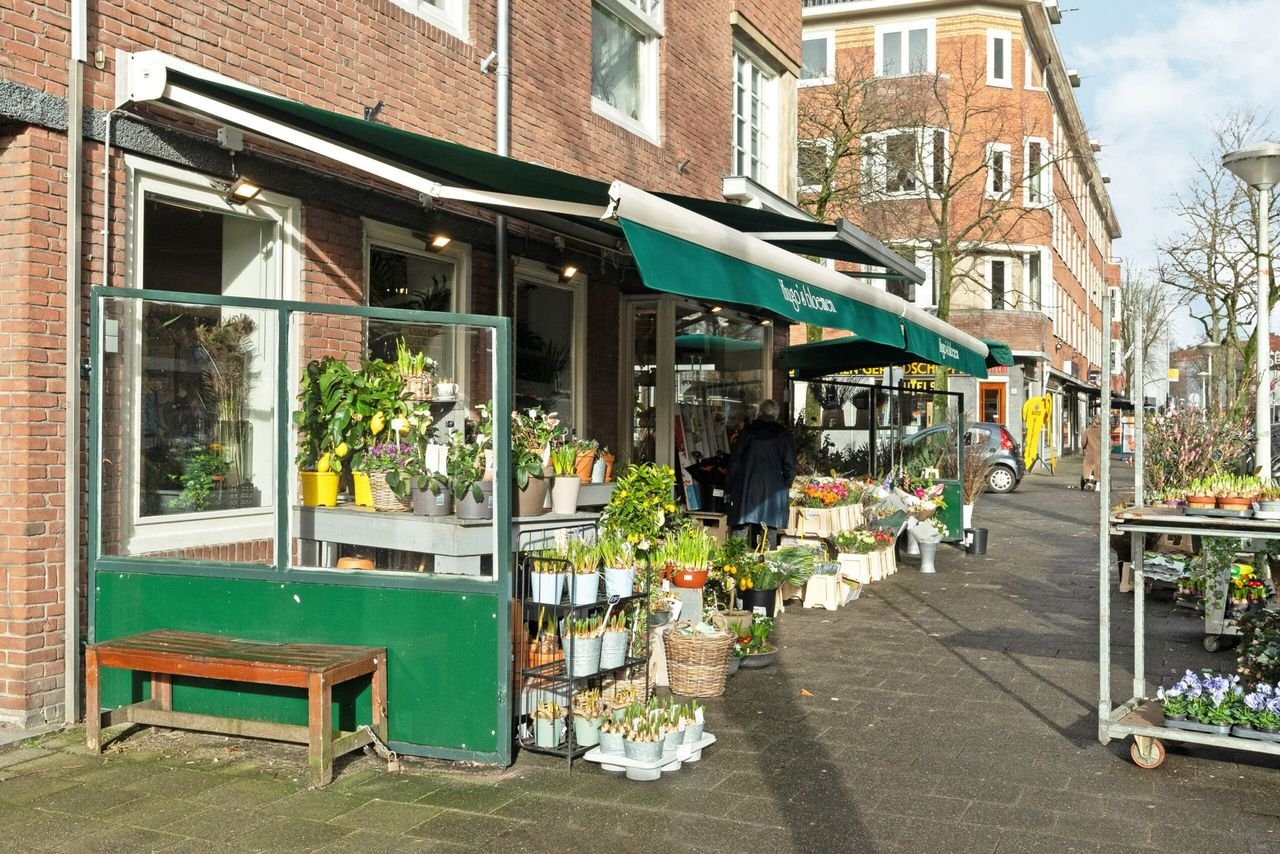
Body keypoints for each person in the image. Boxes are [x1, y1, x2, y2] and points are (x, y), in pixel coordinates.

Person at [726, 399, 797, 550]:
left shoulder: (747, 432)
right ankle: (768, 561)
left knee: (740, 527)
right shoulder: (783, 434)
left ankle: (733, 559)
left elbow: (735, 461)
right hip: (774, 489)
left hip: (746, 486)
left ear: (759, 412)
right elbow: (790, 465)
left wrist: (729, 485)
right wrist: (787, 483)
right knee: (769, 531)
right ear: (776, 414)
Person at [1081, 416, 1102, 490]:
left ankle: (1088, 479)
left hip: (1089, 453)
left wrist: (1084, 447)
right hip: (1100, 453)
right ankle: (1098, 485)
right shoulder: (1103, 431)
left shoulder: (1087, 431)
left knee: (1088, 466)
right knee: (1098, 468)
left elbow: (1083, 442)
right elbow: (1109, 442)